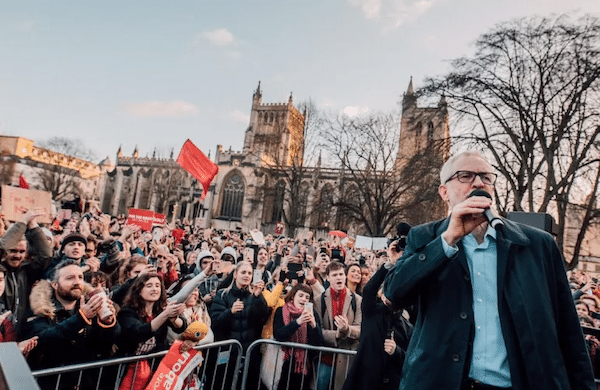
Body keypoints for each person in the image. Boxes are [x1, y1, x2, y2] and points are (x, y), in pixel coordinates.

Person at [384, 150, 595, 390]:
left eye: (486, 177)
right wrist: (448, 240)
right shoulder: (424, 237)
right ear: (444, 192)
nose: (478, 182)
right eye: (465, 176)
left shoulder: (537, 245)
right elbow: (394, 292)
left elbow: (569, 330)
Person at [23, 259, 120, 390]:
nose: (77, 282)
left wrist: (107, 322)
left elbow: (108, 343)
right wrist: (81, 319)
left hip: (86, 383)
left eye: (80, 277)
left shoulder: (91, 306)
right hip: (52, 384)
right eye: (70, 278)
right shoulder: (39, 310)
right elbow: (43, 339)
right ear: (55, 285)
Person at [117, 272, 187, 390]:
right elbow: (139, 332)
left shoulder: (160, 310)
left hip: (155, 367)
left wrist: (174, 319)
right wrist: (165, 315)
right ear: (139, 290)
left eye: (157, 285)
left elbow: (181, 326)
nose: (154, 289)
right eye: (149, 286)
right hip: (130, 368)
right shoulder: (127, 312)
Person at [1, 209, 53, 334]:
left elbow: (46, 255)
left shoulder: (26, 270)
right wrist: (23, 222)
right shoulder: (1, 269)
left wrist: (33, 226)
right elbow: (1, 247)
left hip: (18, 333)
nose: (17, 256)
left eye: (21, 252)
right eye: (13, 251)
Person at [314, 261, 362, 390]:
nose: (339, 278)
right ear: (328, 278)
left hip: (348, 358)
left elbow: (360, 329)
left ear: (345, 276)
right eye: (335, 275)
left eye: (341, 274)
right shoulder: (319, 300)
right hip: (326, 357)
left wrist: (347, 329)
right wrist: (335, 334)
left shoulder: (357, 300)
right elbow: (317, 330)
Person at [273, 284, 325, 390]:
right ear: (293, 296)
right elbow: (279, 335)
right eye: (300, 295)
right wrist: (297, 322)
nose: (303, 299)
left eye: (307, 297)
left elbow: (319, 343)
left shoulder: (312, 314)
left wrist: (314, 326)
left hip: (305, 365)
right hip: (285, 361)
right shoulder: (281, 311)